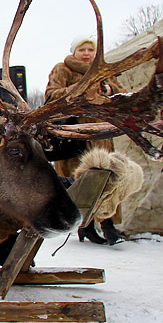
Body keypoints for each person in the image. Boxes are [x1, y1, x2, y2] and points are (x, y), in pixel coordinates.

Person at [45, 35, 125, 245]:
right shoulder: (63, 69)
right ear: (74, 52)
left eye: (91, 49)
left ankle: (108, 226)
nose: (87, 54)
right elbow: (52, 96)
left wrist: (107, 90)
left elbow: (124, 95)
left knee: (108, 180)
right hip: (75, 138)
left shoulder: (103, 72)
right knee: (81, 183)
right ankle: (86, 227)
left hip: (102, 137)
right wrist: (80, 89)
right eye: (83, 50)